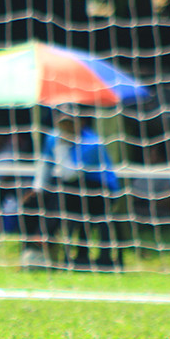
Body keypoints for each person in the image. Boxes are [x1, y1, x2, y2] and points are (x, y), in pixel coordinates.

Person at [31, 114, 122, 270]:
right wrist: (37, 189)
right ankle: (40, 245)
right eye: (62, 124)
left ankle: (44, 239)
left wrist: (61, 148)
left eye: (69, 124)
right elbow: (46, 165)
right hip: (76, 190)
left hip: (102, 190)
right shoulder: (52, 137)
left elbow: (70, 173)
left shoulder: (93, 143)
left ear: (81, 122)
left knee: (62, 195)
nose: (65, 128)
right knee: (45, 198)